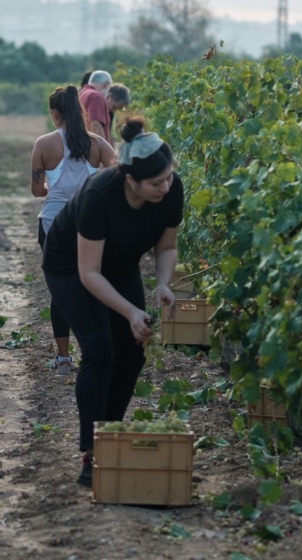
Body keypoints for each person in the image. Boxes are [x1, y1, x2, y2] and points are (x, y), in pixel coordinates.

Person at [41, 116, 183, 487]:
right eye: (157, 182)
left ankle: (111, 434)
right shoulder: (99, 196)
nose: (166, 187)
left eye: (169, 177)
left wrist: (163, 284)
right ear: (130, 180)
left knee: (132, 351)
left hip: (118, 265)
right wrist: (131, 310)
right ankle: (92, 453)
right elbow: (89, 273)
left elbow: (166, 246)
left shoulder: (171, 189)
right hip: (69, 266)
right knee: (100, 350)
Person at [30, 85, 116, 376]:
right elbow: (118, 178)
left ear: (55, 114)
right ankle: (96, 351)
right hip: (89, 226)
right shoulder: (98, 144)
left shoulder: (44, 144)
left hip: (53, 225)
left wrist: (54, 186)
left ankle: (64, 360)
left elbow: (36, 190)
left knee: (61, 291)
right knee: (93, 285)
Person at [79, 70, 112, 141]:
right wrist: (104, 150)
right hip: (94, 147)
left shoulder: (82, 93)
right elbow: (95, 126)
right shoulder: (96, 96)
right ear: (106, 84)